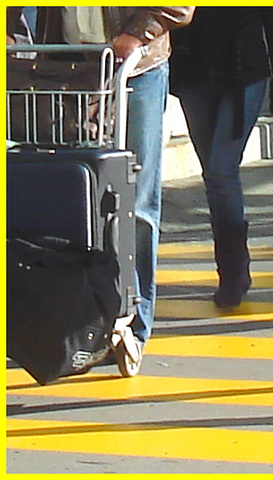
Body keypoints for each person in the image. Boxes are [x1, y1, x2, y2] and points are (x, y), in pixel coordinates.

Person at [6, 7, 195, 373]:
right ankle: (80, 320)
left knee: (135, 202)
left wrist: (140, 34)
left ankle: (134, 323)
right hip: (68, 70)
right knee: (74, 202)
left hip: (135, 68)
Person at [170, 7, 273, 308]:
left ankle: (232, 274)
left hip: (244, 74)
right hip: (193, 75)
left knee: (220, 173)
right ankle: (234, 271)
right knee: (214, 176)